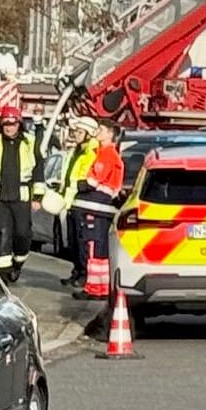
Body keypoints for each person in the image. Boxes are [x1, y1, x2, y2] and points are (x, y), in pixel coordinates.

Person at [0, 107, 42, 282]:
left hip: (21, 197)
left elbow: (39, 170)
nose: (9, 128)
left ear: (19, 124)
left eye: (12, 124)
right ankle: (2, 276)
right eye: (6, 124)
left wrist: (38, 196)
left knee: (22, 234)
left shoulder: (30, 142)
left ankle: (17, 263)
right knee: (1, 233)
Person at [70, 121, 123, 299]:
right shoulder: (105, 153)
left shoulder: (107, 155)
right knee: (98, 248)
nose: (96, 132)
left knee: (92, 247)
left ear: (110, 134)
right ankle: (99, 287)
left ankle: (94, 288)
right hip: (100, 208)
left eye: (100, 129)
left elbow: (93, 181)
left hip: (96, 207)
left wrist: (80, 184)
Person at [55, 117, 99, 285]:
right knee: (73, 241)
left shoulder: (91, 152)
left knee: (82, 241)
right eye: (76, 132)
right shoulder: (77, 151)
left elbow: (85, 178)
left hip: (82, 200)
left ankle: (84, 273)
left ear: (89, 134)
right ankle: (76, 270)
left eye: (80, 132)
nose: (76, 135)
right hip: (71, 201)